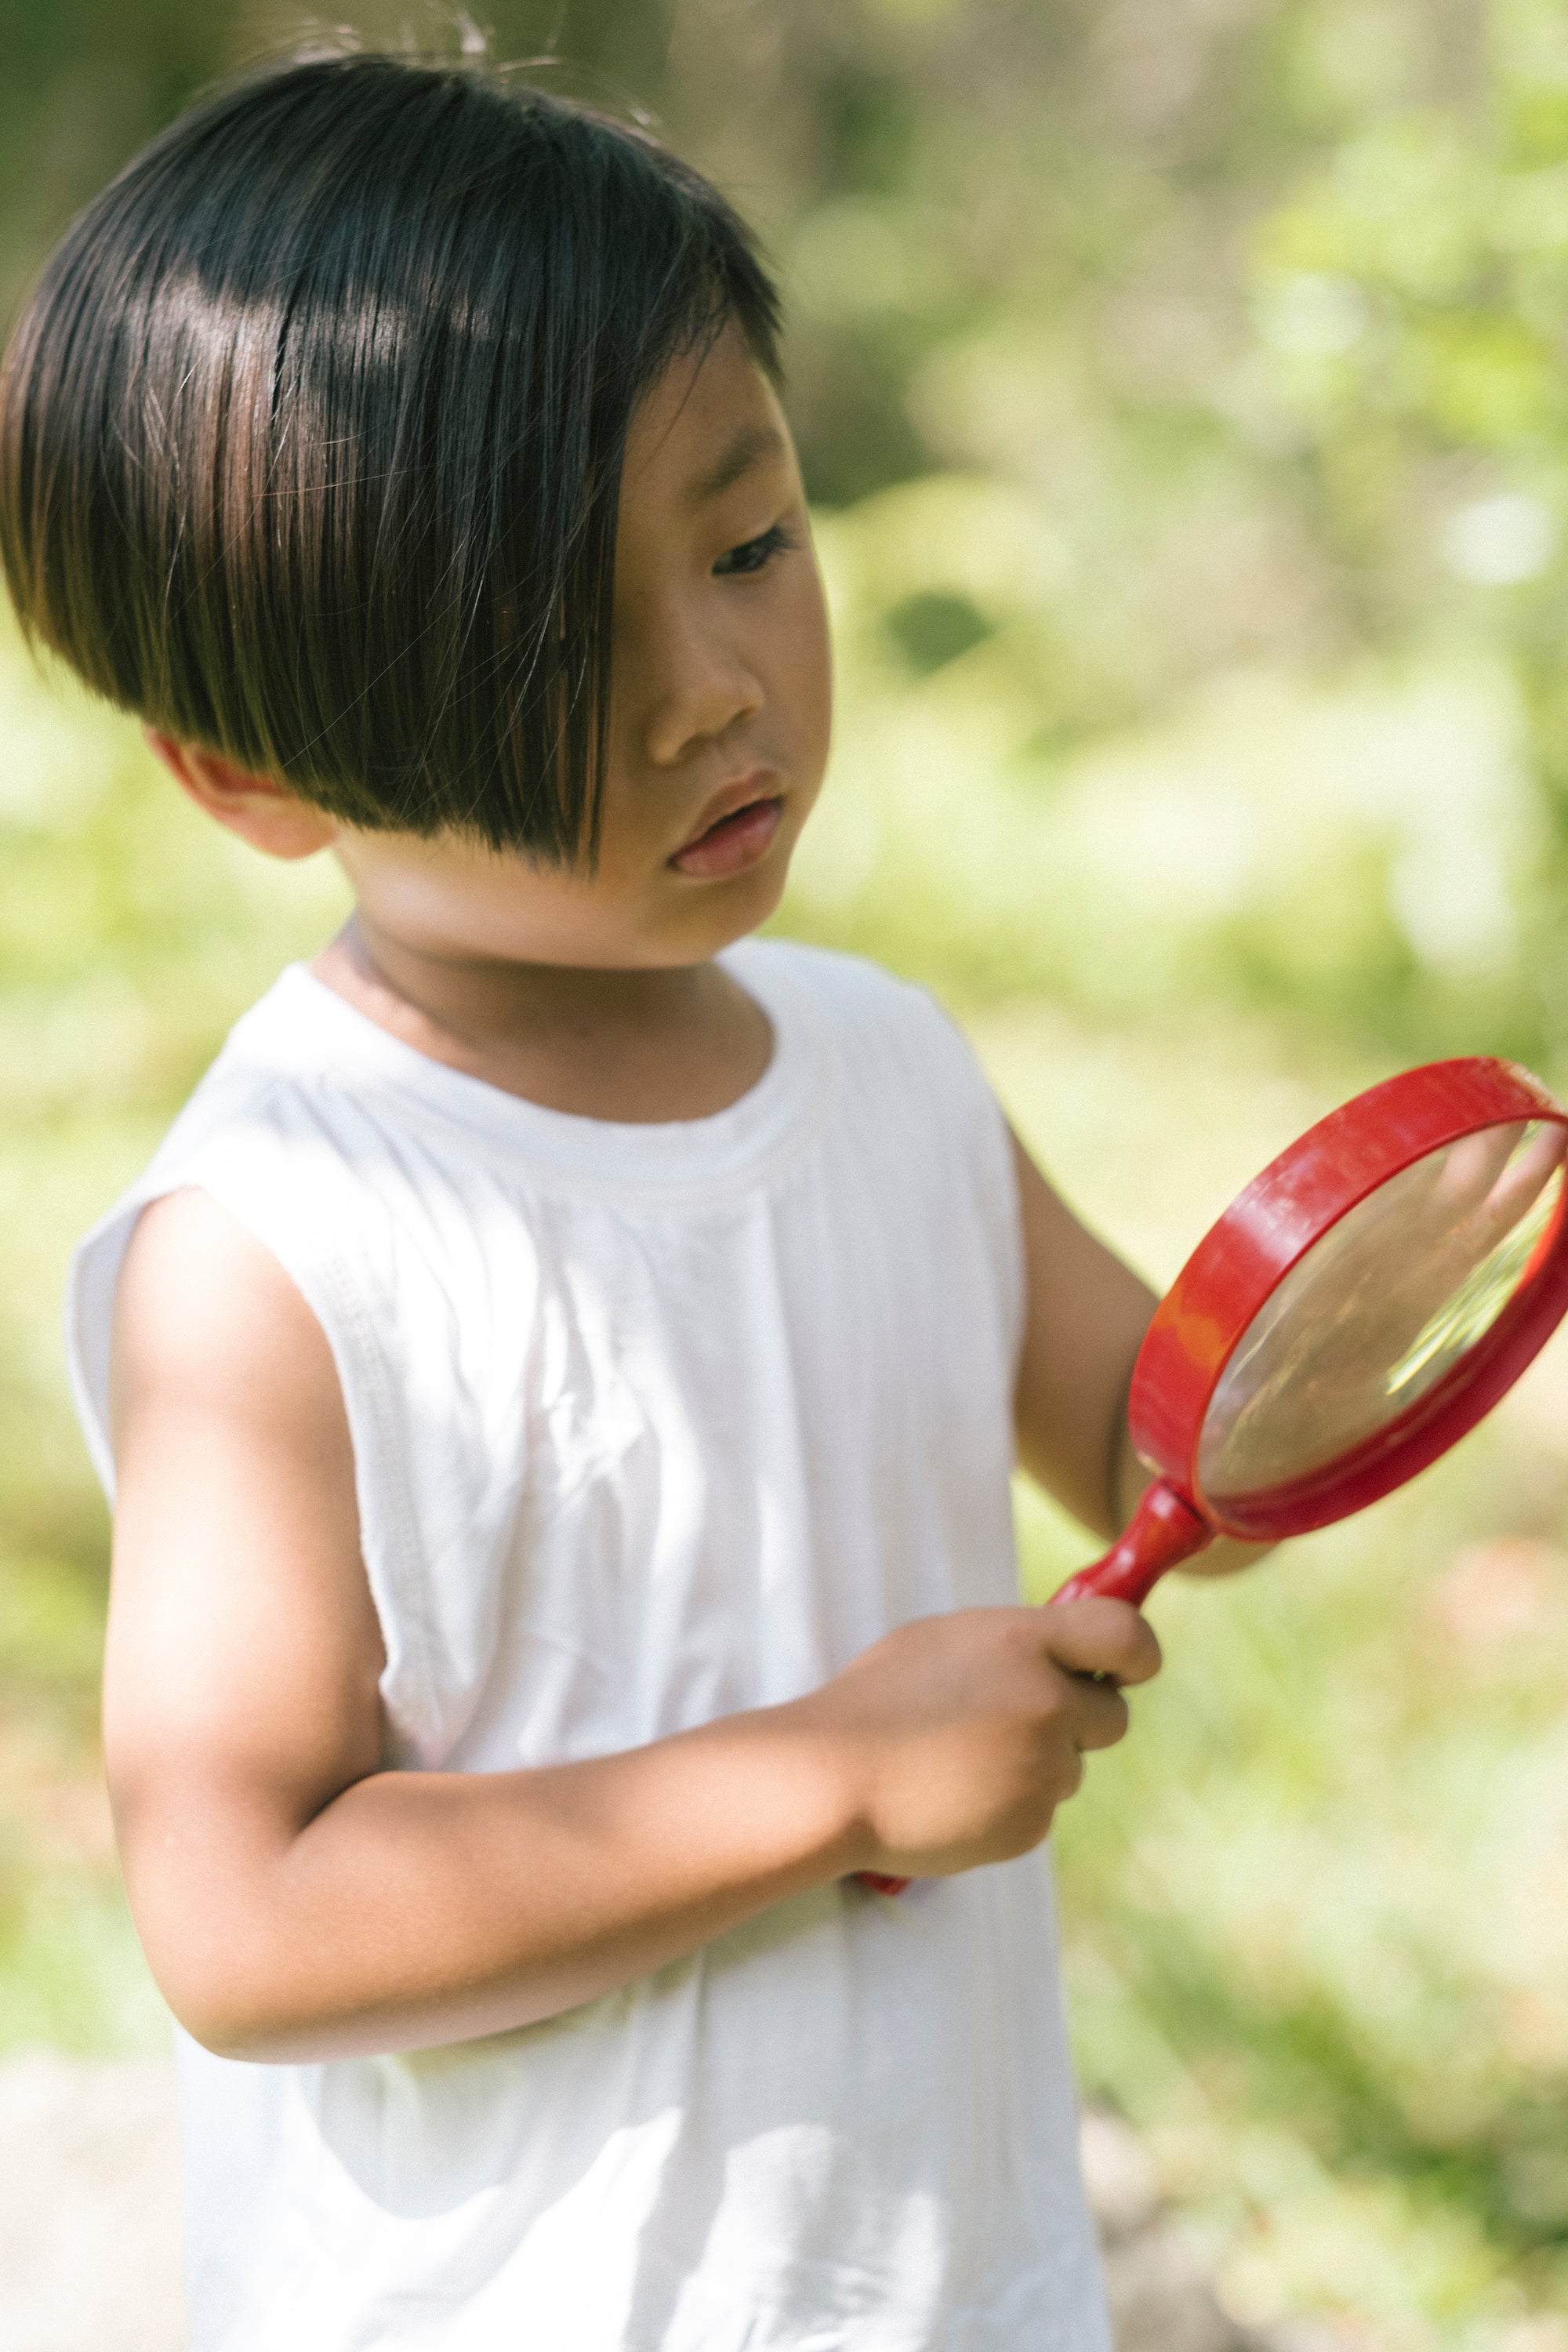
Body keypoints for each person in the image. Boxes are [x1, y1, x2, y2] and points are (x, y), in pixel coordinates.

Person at [0, 48, 1189, 2351]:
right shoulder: (278, 1248)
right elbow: (247, 1920)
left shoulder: (888, 1072)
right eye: (555, 646)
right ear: (249, 772)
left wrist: (1374, 1317)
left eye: (747, 544)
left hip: (951, 2290)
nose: (713, 694)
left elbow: (1185, 1433)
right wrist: (833, 1769)